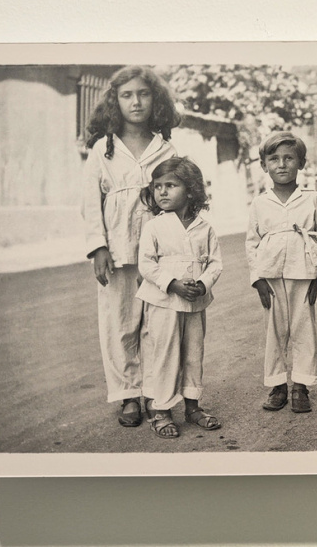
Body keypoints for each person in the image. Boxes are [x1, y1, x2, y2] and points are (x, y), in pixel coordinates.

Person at [81, 65, 181, 428]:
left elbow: (178, 196)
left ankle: (156, 392)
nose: (136, 102)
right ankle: (127, 394)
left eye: (143, 94)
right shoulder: (101, 150)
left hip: (159, 250)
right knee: (119, 323)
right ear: (115, 101)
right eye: (127, 95)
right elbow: (91, 202)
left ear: (155, 99)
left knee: (156, 323)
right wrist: (98, 247)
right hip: (118, 248)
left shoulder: (165, 146)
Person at [136, 157, 223, 438]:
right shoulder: (154, 227)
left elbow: (215, 264)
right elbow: (146, 264)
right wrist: (171, 284)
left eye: (170, 185)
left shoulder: (204, 228)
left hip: (194, 304)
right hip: (163, 303)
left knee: (193, 354)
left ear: (190, 190)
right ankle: (161, 410)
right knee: (165, 354)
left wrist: (203, 283)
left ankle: (193, 406)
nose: (161, 192)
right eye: (157, 186)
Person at [246, 132, 317, 413]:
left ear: (301, 163)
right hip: (271, 274)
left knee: (303, 330)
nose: (281, 164)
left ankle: (301, 386)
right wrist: (257, 279)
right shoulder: (259, 203)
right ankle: (277, 385)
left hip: (303, 271)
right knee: (275, 331)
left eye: (289, 158)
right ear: (264, 164)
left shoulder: (312, 198)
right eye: (274, 159)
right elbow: (252, 242)